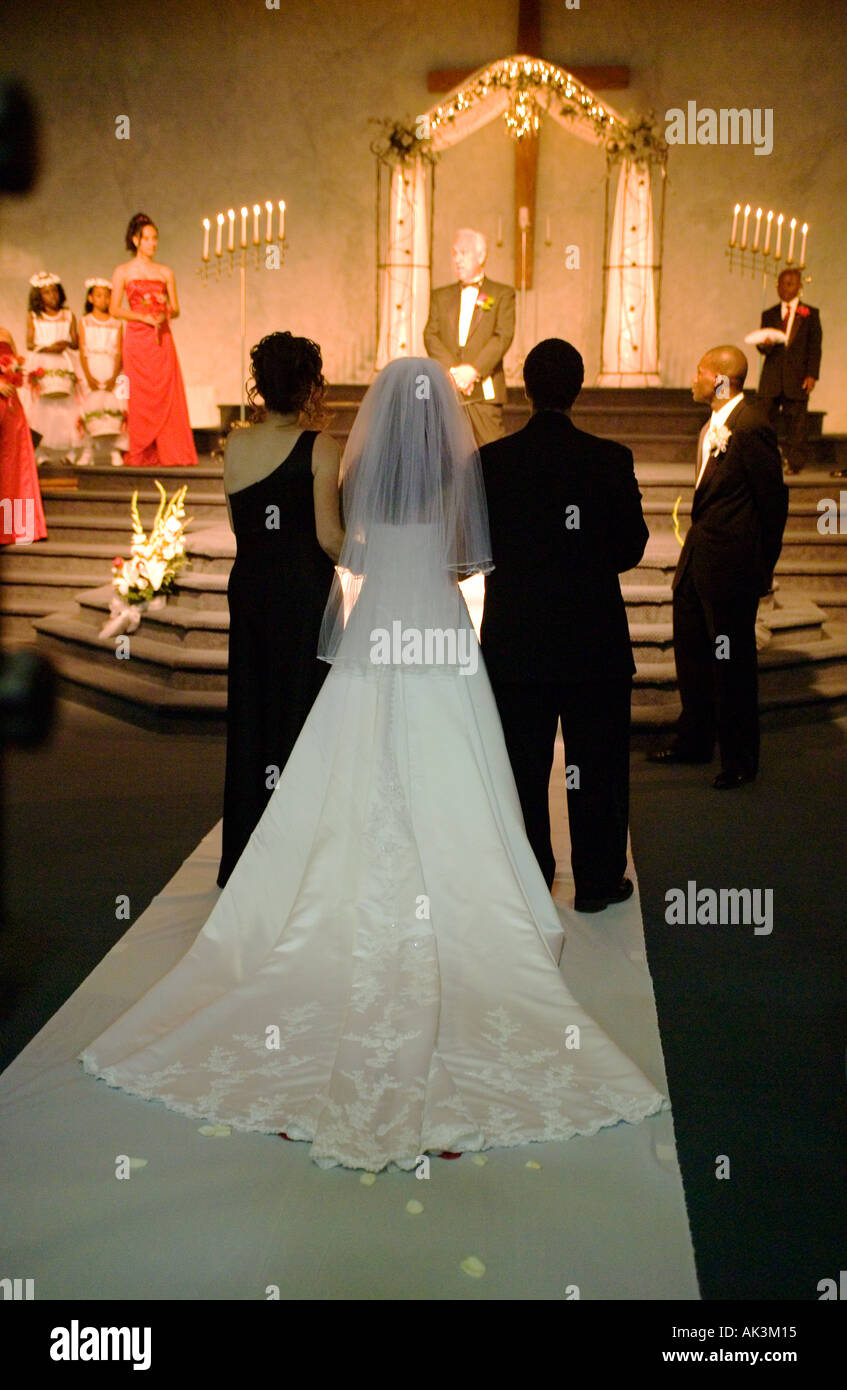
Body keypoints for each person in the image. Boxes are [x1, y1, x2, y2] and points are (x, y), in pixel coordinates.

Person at [78, 357, 667, 1173]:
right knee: (460, 756)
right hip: (438, 628)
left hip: (378, 630)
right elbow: (470, 563)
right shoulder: (468, 470)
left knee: (347, 753)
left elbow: (345, 551)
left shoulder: (360, 472)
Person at [479, 338, 648, 911]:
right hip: (591, 639)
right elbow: (632, 548)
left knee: (522, 765)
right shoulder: (609, 458)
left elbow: (476, 549)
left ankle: (531, 879)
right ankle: (598, 883)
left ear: (526, 389)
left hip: (516, 640)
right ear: (577, 389)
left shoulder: (492, 462)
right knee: (597, 763)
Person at [217, 332, 343, 889]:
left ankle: (245, 854)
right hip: (301, 594)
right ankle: (297, 859)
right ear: (310, 386)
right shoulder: (321, 446)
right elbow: (329, 539)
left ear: (260, 386)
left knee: (251, 711)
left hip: (250, 588)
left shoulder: (235, 444)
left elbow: (238, 524)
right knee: (301, 714)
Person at [650, 346, 789, 789]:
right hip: (697, 562)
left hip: (731, 571)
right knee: (692, 656)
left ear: (720, 381)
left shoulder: (751, 428)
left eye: (699, 373)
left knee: (732, 666)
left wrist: (760, 569)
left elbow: (773, 504)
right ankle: (694, 740)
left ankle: (740, 759)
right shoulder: (712, 425)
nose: (693, 380)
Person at [109, 212, 197, 468]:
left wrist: (163, 310)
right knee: (140, 393)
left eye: (155, 238)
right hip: (137, 338)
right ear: (136, 240)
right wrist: (142, 316)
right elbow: (115, 309)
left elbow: (176, 308)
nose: (153, 243)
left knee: (166, 390)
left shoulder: (164, 272)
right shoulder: (122, 271)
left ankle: (170, 450)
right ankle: (143, 449)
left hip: (161, 336)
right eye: (148, 238)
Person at [423, 228, 515, 446]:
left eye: (464, 253)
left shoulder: (501, 294)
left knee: (492, 456)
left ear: (481, 256)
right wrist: (453, 372)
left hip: (484, 391)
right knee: (446, 455)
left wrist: (473, 370)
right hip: (448, 389)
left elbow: (503, 336)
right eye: (454, 253)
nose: (457, 260)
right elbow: (430, 335)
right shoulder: (440, 296)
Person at [756, 266, 821, 475]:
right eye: (781, 284)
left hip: (797, 377)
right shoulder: (770, 314)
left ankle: (794, 463)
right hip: (772, 377)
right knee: (765, 421)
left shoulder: (810, 314)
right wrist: (764, 345)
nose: (784, 288)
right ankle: (766, 460)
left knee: (797, 423)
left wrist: (811, 375)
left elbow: (814, 347)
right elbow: (762, 346)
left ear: (799, 286)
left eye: (790, 283)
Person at [24, 272, 80, 465]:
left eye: (54, 292)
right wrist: (48, 347)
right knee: (43, 409)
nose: (52, 296)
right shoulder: (34, 316)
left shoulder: (68, 315)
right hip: (43, 362)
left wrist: (64, 343)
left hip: (63, 362)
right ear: (39, 297)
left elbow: (75, 342)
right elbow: (30, 343)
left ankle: (71, 451)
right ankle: (42, 452)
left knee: (66, 408)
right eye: (47, 293)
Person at [0, 327, 47, 545]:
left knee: (14, 465)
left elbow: (16, 363)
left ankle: (13, 528)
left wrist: (18, 375)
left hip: (10, 404)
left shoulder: (6, 333)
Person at [77, 278, 127, 467]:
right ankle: (88, 450)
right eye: (99, 295)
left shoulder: (116, 323)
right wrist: (88, 376)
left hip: (112, 366)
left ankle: (115, 450)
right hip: (91, 365)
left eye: (107, 296)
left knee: (115, 406)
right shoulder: (85, 321)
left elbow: (119, 351)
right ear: (90, 298)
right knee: (90, 407)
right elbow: (82, 350)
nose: (103, 300)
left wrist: (115, 375)